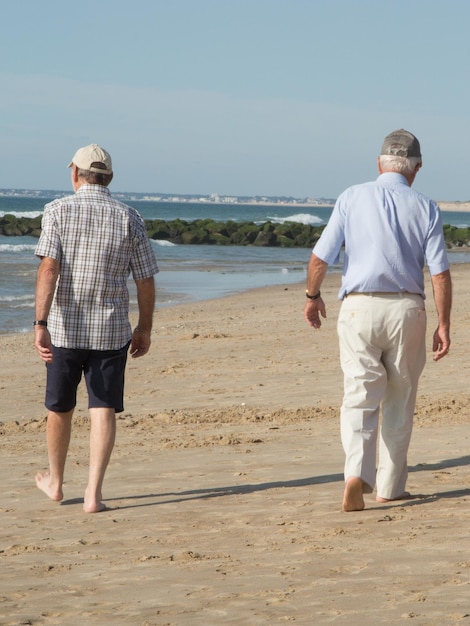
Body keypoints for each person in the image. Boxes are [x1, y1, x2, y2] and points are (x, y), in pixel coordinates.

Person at [304, 129, 452, 512]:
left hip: (359, 307)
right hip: (407, 309)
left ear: (379, 163)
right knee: (400, 399)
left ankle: (356, 473)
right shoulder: (426, 206)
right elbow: (439, 273)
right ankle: (389, 486)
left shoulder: (352, 196)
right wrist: (444, 324)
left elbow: (322, 257)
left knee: (359, 395)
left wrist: (312, 296)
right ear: (416, 168)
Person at [33, 144, 159, 513]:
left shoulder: (56, 210)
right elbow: (145, 280)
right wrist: (144, 328)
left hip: (65, 329)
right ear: (110, 177)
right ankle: (93, 494)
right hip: (110, 330)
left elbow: (48, 270)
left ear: (75, 173)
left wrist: (40, 323)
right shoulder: (130, 217)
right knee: (102, 407)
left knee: (60, 407)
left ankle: (56, 483)